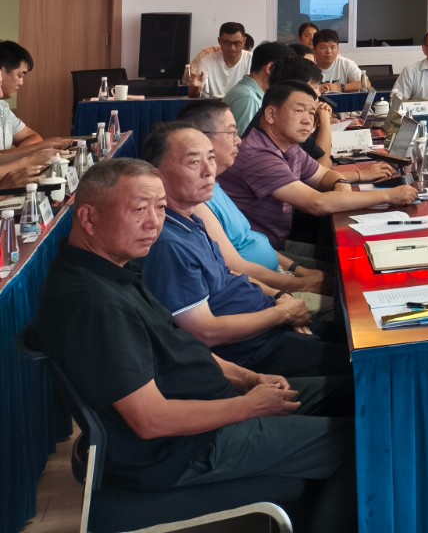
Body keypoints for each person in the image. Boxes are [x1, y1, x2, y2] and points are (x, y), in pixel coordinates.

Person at [25, 158, 355, 533]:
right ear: (88, 217)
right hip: (188, 448)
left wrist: (249, 379)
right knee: (361, 443)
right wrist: (247, 406)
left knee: (355, 391)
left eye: (160, 208)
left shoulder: (115, 268)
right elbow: (151, 421)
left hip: (216, 401)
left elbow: (183, 344)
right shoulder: (95, 304)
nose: (154, 222)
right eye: (139, 210)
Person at [140, 123, 347, 376]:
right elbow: (205, 332)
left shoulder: (191, 220)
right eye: (194, 162)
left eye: (211, 158)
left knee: (354, 336)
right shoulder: (168, 245)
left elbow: (229, 273)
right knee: (362, 368)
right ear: (158, 175)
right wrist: (281, 314)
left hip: (271, 317)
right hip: (256, 349)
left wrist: (280, 296)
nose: (208, 171)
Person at [219, 82, 413, 252]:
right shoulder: (258, 155)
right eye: (299, 111)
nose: (308, 120)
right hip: (263, 253)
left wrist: (341, 183)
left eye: (312, 113)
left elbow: (324, 176)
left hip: (277, 244)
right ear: (271, 114)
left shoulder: (289, 146)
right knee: (345, 265)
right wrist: (389, 195)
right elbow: (317, 204)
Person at [178, 100, 329, 304]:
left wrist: (299, 270)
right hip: (261, 290)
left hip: (279, 272)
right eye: (231, 132)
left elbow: (252, 239)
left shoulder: (214, 183)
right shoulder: (196, 201)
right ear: (202, 138)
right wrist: (301, 284)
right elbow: (235, 268)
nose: (239, 141)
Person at [0, 41, 73, 185]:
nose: (21, 83)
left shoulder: (2, 107)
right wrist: (29, 158)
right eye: (20, 75)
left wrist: (41, 148)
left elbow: (32, 137)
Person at [224, 40, 296, 134]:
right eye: (287, 71)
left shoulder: (253, 95)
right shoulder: (249, 99)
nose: (290, 77)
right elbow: (244, 142)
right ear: (270, 68)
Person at [188, 22, 251, 98]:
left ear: (244, 41)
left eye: (237, 43)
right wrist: (195, 88)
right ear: (219, 41)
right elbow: (193, 96)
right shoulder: (207, 61)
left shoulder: (252, 60)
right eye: (227, 43)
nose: (232, 48)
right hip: (214, 105)